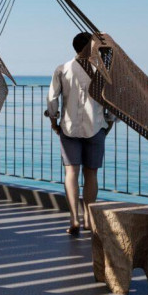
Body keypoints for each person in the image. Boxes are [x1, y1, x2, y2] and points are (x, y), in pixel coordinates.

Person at [47, 31, 115, 236]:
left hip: (69, 128)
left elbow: (52, 99)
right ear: (90, 47)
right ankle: (89, 220)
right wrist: (109, 122)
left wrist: (54, 121)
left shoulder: (63, 69)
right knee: (91, 174)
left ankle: (74, 219)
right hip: (96, 127)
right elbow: (110, 100)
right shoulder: (101, 71)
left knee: (71, 173)